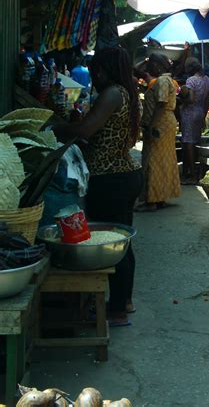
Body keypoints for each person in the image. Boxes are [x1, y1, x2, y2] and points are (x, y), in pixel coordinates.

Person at [53, 47, 143, 327]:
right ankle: (123, 302)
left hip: (111, 178)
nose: (94, 74)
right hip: (122, 174)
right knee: (121, 241)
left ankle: (116, 309)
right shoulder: (124, 91)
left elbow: (85, 130)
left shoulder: (113, 93)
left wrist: (57, 128)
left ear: (104, 70)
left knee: (113, 244)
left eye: (96, 69)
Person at [136, 53, 181, 211]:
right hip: (166, 122)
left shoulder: (162, 81)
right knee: (163, 160)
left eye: (151, 64)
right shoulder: (167, 80)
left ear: (157, 66)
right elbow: (136, 71)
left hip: (160, 123)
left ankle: (152, 201)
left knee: (152, 160)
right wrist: (147, 59)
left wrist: (151, 127)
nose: (149, 67)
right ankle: (159, 196)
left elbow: (161, 105)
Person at [180, 57, 209, 184]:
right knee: (196, 143)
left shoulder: (190, 80)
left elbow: (191, 99)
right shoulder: (207, 80)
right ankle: (196, 172)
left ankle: (192, 175)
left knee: (188, 144)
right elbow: (207, 101)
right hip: (200, 112)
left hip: (189, 113)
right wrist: (204, 115)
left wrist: (181, 99)